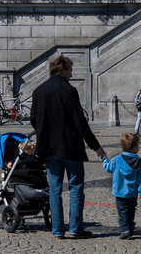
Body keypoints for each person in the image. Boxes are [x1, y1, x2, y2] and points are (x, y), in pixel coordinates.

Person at [30, 55, 106, 240]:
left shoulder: (38, 91)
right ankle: (75, 229)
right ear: (63, 70)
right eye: (70, 71)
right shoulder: (69, 91)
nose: (71, 75)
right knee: (76, 188)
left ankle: (57, 231)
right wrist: (97, 147)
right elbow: (80, 123)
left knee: (55, 191)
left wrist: (45, 131)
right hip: (70, 147)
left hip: (48, 149)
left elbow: (33, 120)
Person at [102, 133, 141, 240]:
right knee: (131, 210)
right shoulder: (139, 162)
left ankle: (125, 230)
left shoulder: (117, 159)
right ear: (134, 148)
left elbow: (108, 168)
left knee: (122, 211)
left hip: (120, 192)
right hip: (133, 192)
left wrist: (104, 159)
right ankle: (130, 227)